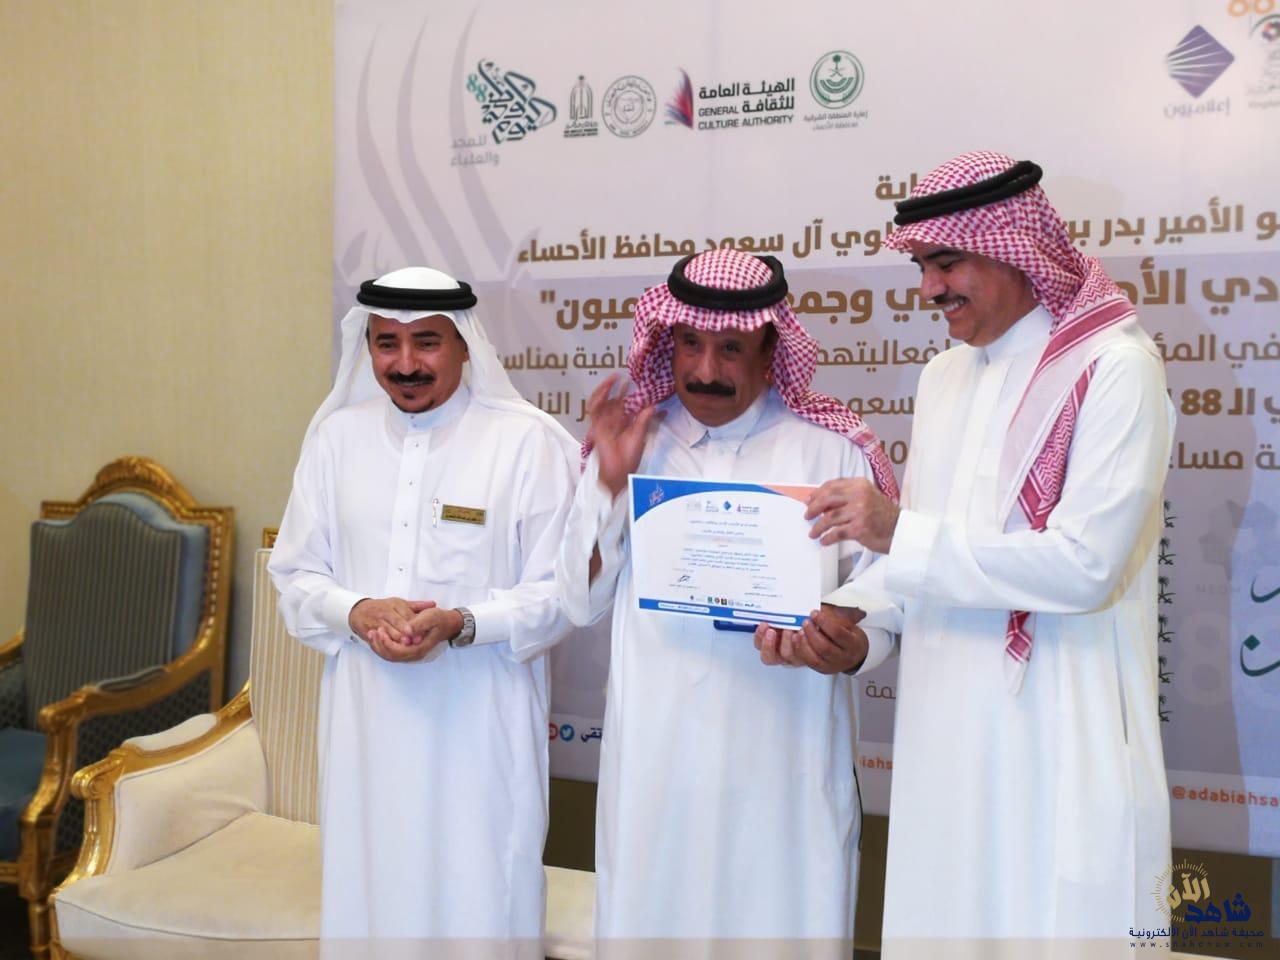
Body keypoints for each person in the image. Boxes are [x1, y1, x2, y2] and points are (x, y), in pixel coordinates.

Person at [807, 152, 1174, 954]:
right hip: (943, 728)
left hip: (1058, 724)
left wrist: (897, 532)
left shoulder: (1114, 369)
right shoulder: (943, 377)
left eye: (947, 262)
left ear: (1016, 249)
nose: (929, 288)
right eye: (920, 266)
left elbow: (1085, 567)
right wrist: (859, 627)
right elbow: (926, 553)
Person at [557, 248, 899, 952]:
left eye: (731, 349)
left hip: (783, 757)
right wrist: (610, 485)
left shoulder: (831, 449)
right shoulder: (635, 443)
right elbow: (577, 599)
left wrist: (853, 643)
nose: (705, 370)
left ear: (772, 349)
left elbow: (887, 593)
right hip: (657, 759)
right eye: (689, 344)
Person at [269, 267, 578, 952]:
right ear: (368, 347)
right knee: (372, 891)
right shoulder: (336, 439)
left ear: (464, 344)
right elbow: (294, 571)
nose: (405, 363)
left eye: (427, 342)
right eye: (387, 343)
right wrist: (355, 611)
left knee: (480, 895)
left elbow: (562, 595)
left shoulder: (527, 443)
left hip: (481, 725)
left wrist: (462, 624)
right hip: (366, 725)